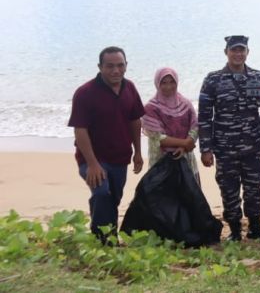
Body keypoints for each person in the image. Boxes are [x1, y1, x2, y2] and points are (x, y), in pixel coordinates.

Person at [199, 35, 260, 242]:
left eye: (242, 50)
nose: (238, 54)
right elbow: (203, 116)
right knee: (229, 189)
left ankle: (255, 228)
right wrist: (206, 148)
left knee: (254, 187)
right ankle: (235, 230)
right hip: (225, 147)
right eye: (234, 50)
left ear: (248, 52)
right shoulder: (213, 79)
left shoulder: (258, 77)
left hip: (252, 147)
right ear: (226, 52)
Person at [68, 46, 145, 243]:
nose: (115, 70)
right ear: (100, 67)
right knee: (102, 194)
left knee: (113, 199)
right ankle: (103, 239)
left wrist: (138, 152)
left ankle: (109, 236)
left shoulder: (130, 88)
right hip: (92, 158)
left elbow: (135, 121)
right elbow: (80, 130)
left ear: (126, 66)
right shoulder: (85, 93)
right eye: (110, 66)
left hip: (120, 157)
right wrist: (92, 164)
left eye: (120, 65)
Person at [142, 67, 199, 184]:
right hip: (161, 162)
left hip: (185, 158)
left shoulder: (186, 104)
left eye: (172, 82)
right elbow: (158, 138)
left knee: (190, 197)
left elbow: (195, 126)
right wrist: (185, 143)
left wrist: (184, 147)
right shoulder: (150, 108)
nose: (169, 86)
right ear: (157, 83)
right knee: (164, 199)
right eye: (164, 82)